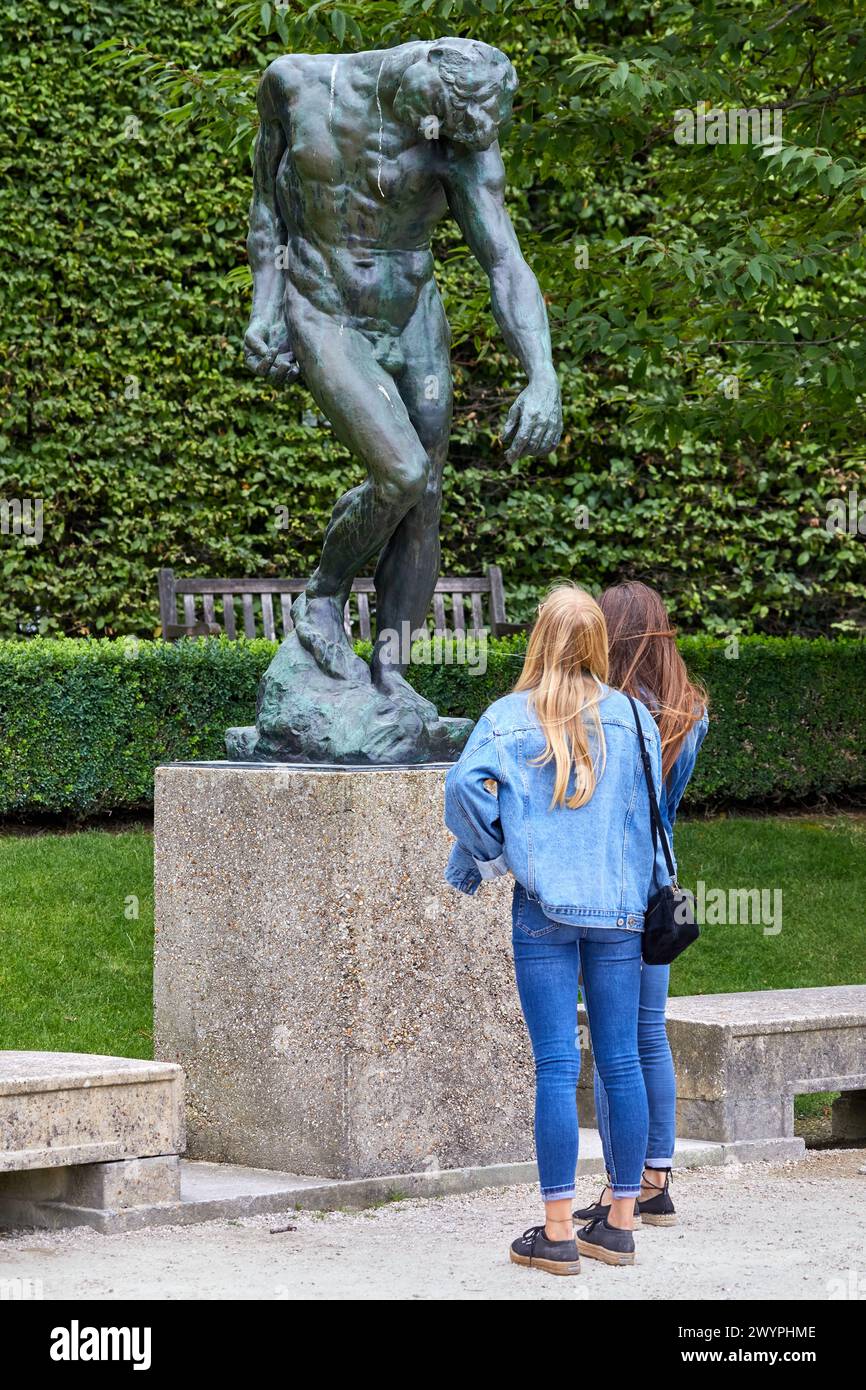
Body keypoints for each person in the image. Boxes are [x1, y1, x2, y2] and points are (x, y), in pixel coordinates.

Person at [243, 38, 561, 704]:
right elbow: (267, 211)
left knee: (426, 500)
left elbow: (502, 260)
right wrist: (263, 309)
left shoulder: (461, 142)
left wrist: (543, 374)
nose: (443, 140)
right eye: (438, 120)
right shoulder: (292, 84)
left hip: (412, 312)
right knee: (402, 471)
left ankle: (391, 680)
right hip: (324, 308)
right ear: (420, 75)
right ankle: (321, 598)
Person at [444, 584, 670, 1275]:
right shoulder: (635, 717)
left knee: (555, 1066)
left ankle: (557, 1231)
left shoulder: (509, 718)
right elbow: (651, 819)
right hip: (622, 914)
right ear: (597, 643)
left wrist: (495, 849)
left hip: (544, 910)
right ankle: (622, 1224)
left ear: (540, 639)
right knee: (622, 1059)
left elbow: (460, 790)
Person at [574, 581, 708, 1229]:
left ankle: (619, 1188)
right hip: (660, 886)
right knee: (647, 1034)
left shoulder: (609, 714)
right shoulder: (688, 711)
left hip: (609, 889)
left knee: (611, 1041)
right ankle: (655, 1178)